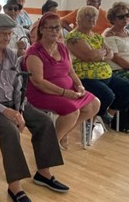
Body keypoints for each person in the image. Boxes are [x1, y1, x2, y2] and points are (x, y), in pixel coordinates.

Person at [0, 13, 68, 202]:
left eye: (9, 34)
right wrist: (8, 113)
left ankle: (43, 174)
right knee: (10, 131)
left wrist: (19, 109)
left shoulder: (11, 55)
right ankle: (15, 187)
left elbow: (19, 86)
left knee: (44, 121)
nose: (6, 38)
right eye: (2, 33)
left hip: (14, 104)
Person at [23, 12, 99, 149]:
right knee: (72, 111)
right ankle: (50, 145)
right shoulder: (34, 52)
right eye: (50, 28)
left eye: (57, 28)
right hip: (42, 93)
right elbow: (38, 82)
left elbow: (70, 71)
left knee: (94, 104)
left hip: (67, 90)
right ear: (41, 30)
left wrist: (79, 85)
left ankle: (63, 133)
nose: (55, 31)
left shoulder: (62, 47)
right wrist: (64, 92)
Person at [65, 6, 129, 126]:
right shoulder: (74, 37)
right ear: (78, 19)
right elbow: (89, 56)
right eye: (88, 16)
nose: (92, 19)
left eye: (94, 17)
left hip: (106, 75)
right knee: (107, 95)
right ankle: (91, 120)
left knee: (128, 88)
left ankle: (107, 115)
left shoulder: (96, 36)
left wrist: (99, 54)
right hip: (85, 78)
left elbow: (111, 53)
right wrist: (102, 55)